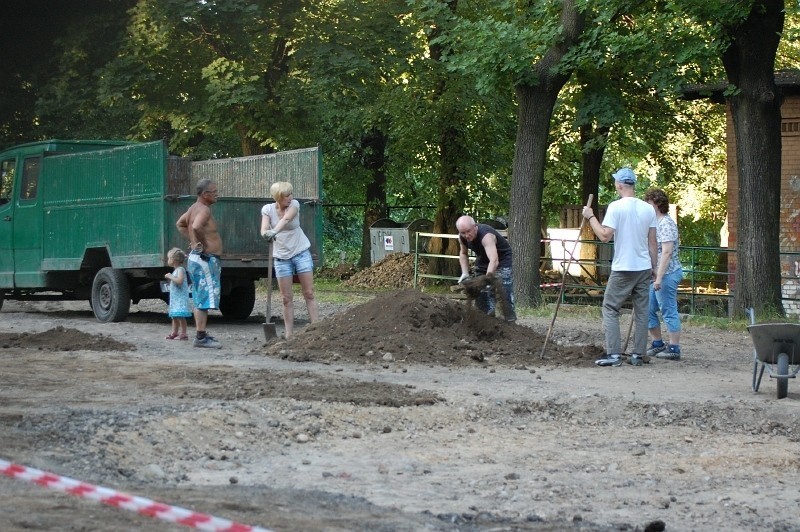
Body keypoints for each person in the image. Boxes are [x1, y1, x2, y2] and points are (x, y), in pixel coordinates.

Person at [582, 168, 657, 367]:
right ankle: (638, 355)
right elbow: (652, 242)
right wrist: (654, 268)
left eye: (615, 181)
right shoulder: (648, 209)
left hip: (624, 266)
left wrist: (590, 217)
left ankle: (614, 354)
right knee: (642, 311)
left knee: (610, 307)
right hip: (643, 267)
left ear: (620, 185)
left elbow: (605, 235)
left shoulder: (616, 207)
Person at [260, 181, 319, 340]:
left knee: (309, 293)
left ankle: (316, 329)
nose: (290, 197)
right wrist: (266, 233)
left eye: (290, 194)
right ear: (278, 197)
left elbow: (286, 220)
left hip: (300, 253)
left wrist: (274, 231)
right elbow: (264, 229)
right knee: (286, 298)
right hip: (281, 258)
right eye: (286, 195)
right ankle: (289, 335)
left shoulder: (295, 205)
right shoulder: (267, 209)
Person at [176, 178, 223, 349]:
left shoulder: (192, 208)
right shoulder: (204, 210)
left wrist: (193, 241)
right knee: (204, 298)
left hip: (195, 258)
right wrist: (202, 245)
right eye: (214, 191)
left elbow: (180, 224)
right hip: (204, 259)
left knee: (199, 297)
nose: (217, 194)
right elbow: (195, 227)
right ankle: (201, 337)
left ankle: (201, 334)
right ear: (205, 194)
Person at [643, 188, 683, 360]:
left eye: (649, 203)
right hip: (656, 274)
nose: (647, 206)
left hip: (666, 274)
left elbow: (666, 252)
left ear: (657, 204)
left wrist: (659, 277)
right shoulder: (655, 223)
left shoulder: (666, 224)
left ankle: (674, 348)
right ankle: (657, 343)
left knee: (668, 310)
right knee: (648, 309)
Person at [455, 215, 517, 322]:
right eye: (463, 233)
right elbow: (463, 254)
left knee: (503, 288)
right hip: (483, 259)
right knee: (480, 291)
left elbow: (494, 260)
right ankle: (484, 318)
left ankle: (509, 319)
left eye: (468, 231)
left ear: (475, 226)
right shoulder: (462, 238)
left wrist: (487, 279)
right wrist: (465, 273)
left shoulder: (486, 236)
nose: (466, 235)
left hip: (501, 260)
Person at [164, 247, 191, 340]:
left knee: (180, 316)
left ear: (173, 260)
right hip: (175, 298)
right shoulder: (177, 270)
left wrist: (170, 276)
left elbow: (179, 281)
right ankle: (174, 332)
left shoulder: (180, 270)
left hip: (180, 298)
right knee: (174, 316)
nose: (168, 260)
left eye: (169, 258)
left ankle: (184, 333)